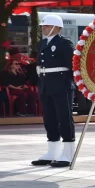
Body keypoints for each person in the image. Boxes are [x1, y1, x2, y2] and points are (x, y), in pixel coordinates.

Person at [31, 15, 76, 168]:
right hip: (45, 84)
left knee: (64, 118)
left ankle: (68, 152)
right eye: (43, 26)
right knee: (49, 119)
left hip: (61, 85)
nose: (43, 28)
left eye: (47, 25)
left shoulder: (64, 43)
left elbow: (74, 65)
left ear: (56, 28)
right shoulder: (43, 43)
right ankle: (52, 152)